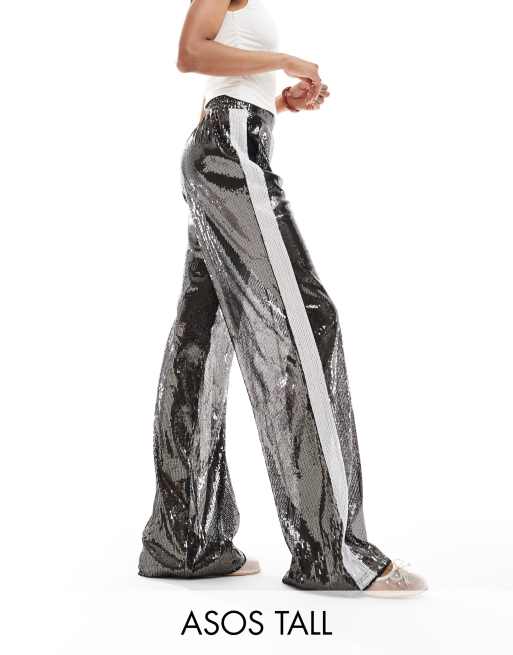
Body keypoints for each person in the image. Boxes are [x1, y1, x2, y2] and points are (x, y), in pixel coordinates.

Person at [138, 0, 428, 597]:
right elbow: (190, 54)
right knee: (308, 319)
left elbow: (225, 82)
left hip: (227, 144)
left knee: (201, 341)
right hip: (230, 153)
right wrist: (284, 60)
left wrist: (281, 102)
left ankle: (183, 543)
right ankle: (334, 554)